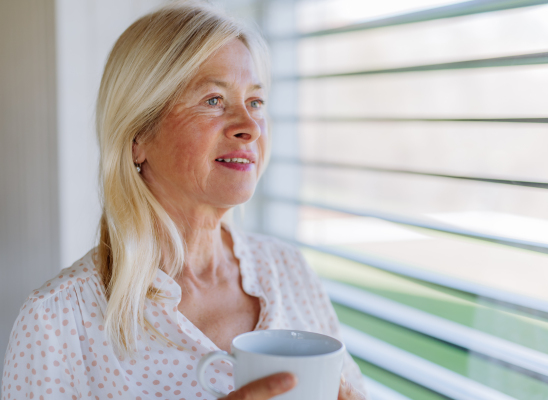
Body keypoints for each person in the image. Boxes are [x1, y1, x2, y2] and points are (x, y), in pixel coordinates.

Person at [1, 2, 367, 399]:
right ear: (138, 136)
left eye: (256, 102)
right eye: (213, 100)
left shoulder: (289, 270)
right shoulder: (57, 321)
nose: (249, 127)